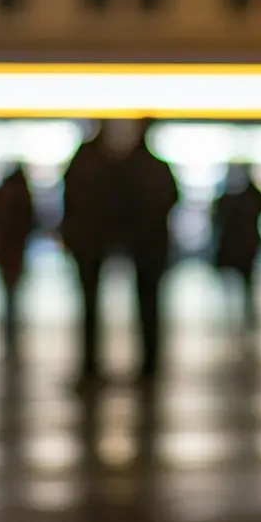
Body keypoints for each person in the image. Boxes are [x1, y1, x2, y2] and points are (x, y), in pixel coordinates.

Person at [115, 119, 179, 383]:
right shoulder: (158, 168)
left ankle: (148, 361)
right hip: (153, 245)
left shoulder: (132, 167)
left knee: (144, 302)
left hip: (142, 244)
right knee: (151, 303)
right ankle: (152, 359)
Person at [62, 125, 119, 388]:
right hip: (95, 243)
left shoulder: (82, 165)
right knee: (93, 305)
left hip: (85, 244)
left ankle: (89, 363)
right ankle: (91, 363)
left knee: (88, 305)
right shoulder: (104, 166)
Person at [0, 163, 36, 358]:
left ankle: (9, 332)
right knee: (13, 293)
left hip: (6, 251)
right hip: (15, 251)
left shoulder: (2, 196)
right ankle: (12, 332)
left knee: (9, 293)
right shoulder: (23, 198)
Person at [214, 163, 261, 343]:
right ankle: (242, 316)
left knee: (244, 284)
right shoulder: (244, 196)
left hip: (244, 247)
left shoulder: (233, 197)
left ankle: (245, 316)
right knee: (241, 284)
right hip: (244, 247)